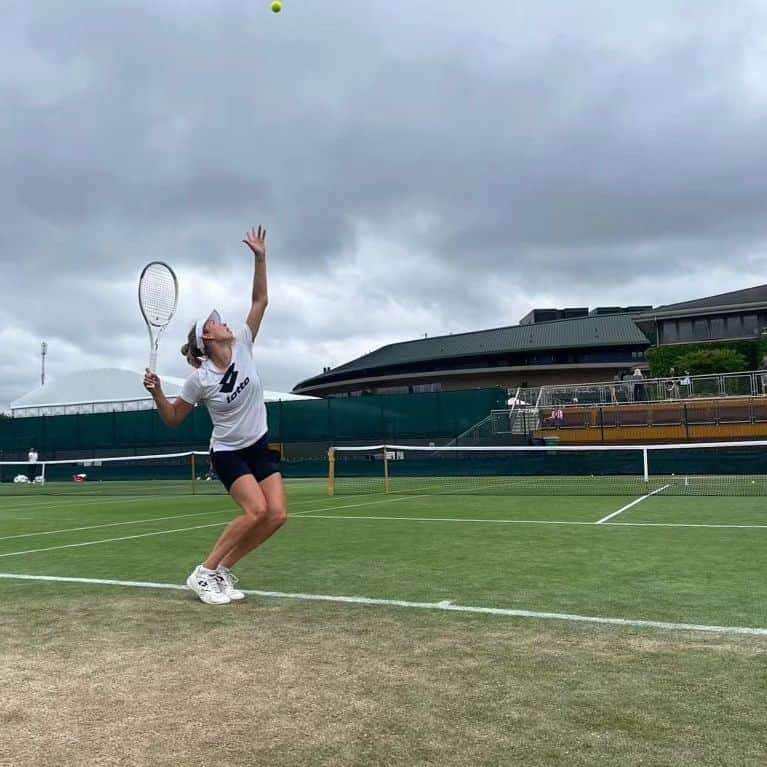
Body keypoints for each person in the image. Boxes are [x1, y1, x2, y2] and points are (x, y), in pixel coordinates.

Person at [143, 225, 287, 606]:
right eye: (216, 322)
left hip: (257, 446)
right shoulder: (200, 381)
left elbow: (260, 301)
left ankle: (222, 571)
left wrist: (260, 258)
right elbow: (174, 418)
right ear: (208, 338)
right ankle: (204, 573)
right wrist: (158, 392)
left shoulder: (243, 343)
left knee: (276, 516)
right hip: (227, 453)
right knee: (255, 510)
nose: (224, 323)